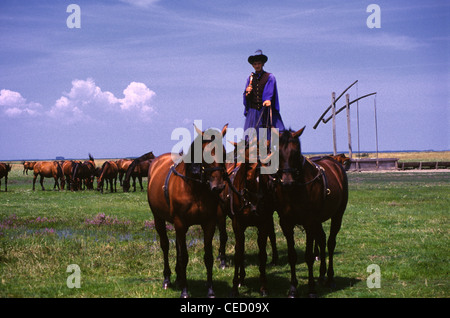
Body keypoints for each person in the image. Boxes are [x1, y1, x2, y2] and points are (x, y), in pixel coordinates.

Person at [243, 50, 285, 142]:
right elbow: (246, 98)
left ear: (262, 64)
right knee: (249, 138)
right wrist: (247, 93)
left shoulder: (270, 77)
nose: (257, 66)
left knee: (269, 136)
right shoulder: (249, 79)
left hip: (265, 110)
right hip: (253, 112)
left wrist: (267, 99)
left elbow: (269, 92)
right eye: (255, 64)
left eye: (259, 63)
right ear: (252, 65)